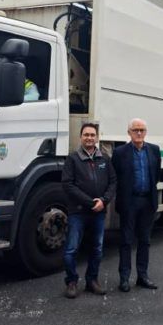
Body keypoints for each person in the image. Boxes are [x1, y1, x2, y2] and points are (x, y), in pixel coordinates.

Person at [61, 123, 116, 299]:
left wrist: (104, 200)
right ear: (80, 137)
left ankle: (92, 281)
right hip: (78, 212)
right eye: (86, 135)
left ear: (97, 137)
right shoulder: (73, 159)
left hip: (98, 212)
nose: (89, 138)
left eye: (93, 135)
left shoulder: (104, 159)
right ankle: (71, 281)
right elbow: (68, 185)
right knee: (71, 250)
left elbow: (113, 182)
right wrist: (89, 202)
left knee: (97, 249)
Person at [112, 118, 161, 292]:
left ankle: (143, 276)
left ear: (146, 132)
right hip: (129, 202)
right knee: (126, 241)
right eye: (135, 130)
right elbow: (116, 177)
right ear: (129, 133)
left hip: (147, 201)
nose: (139, 133)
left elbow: (155, 176)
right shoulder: (120, 153)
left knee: (145, 241)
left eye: (142, 130)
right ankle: (124, 278)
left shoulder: (154, 150)